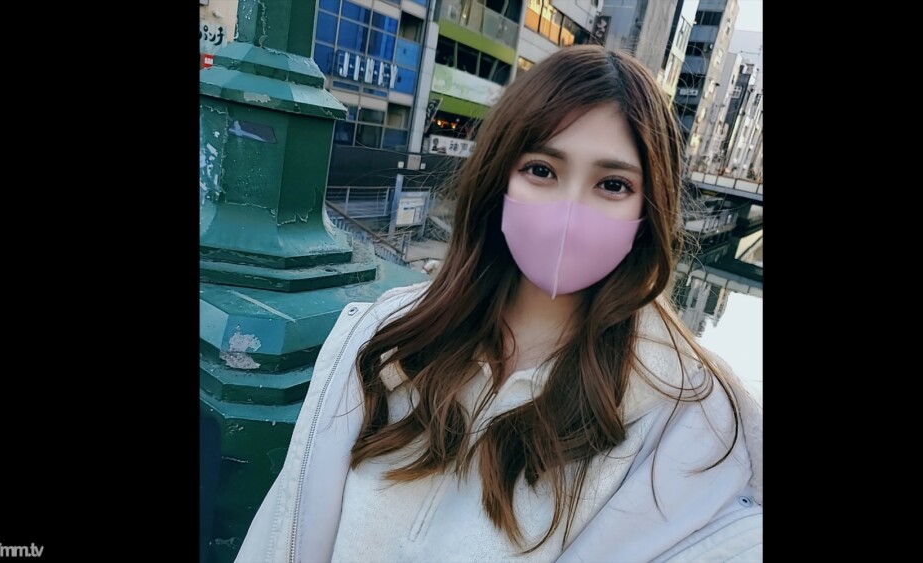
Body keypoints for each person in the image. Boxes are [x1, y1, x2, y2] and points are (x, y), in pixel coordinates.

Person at [236, 45, 762, 562]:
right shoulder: (387, 336)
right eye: (542, 170)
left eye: (612, 184)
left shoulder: (687, 422)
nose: (569, 212)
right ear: (499, 176)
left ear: (648, 212)